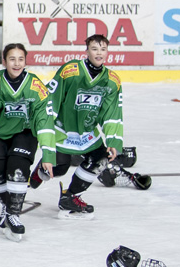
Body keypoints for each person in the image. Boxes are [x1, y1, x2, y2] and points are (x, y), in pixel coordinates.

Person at [29, 34, 123, 219]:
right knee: (60, 167)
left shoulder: (112, 81)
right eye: (94, 49)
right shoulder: (70, 71)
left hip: (87, 133)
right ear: (87, 51)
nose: (99, 53)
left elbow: (112, 114)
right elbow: (52, 99)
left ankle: (70, 197)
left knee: (100, 159)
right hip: (62, 131)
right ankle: (40, 172)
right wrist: (43, 129)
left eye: (103, 49)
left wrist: (114, 141)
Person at [0, 43, 56, 242]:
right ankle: (7, 206)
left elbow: (44, 122)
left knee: (18, 169)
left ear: (25, 61)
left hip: (24, 133)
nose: (16, 64)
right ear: (4, 62)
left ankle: (13, 214)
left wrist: (48, 155)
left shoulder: (36, 87)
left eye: (20, 59)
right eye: (12, 59)